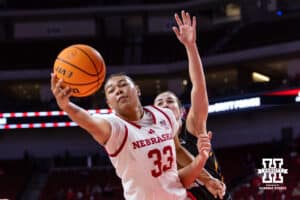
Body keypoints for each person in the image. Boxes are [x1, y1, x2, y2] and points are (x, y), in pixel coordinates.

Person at [51, 11, 211, 200]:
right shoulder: (114, 127)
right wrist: (67, 106)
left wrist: (207, 179)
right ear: (109, 103)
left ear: (137, 90)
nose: (118, 90)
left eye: (123, 85)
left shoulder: (164, 115)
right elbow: (88, 121)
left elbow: (177, 150)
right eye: (111, 90)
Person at [154, 9, 230, 199]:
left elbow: (199, 87)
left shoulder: (193, 127)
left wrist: (191, 46)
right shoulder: (154, 145)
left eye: (169, 101)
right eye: (159, 103)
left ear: (182, 112)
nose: (164, 105)